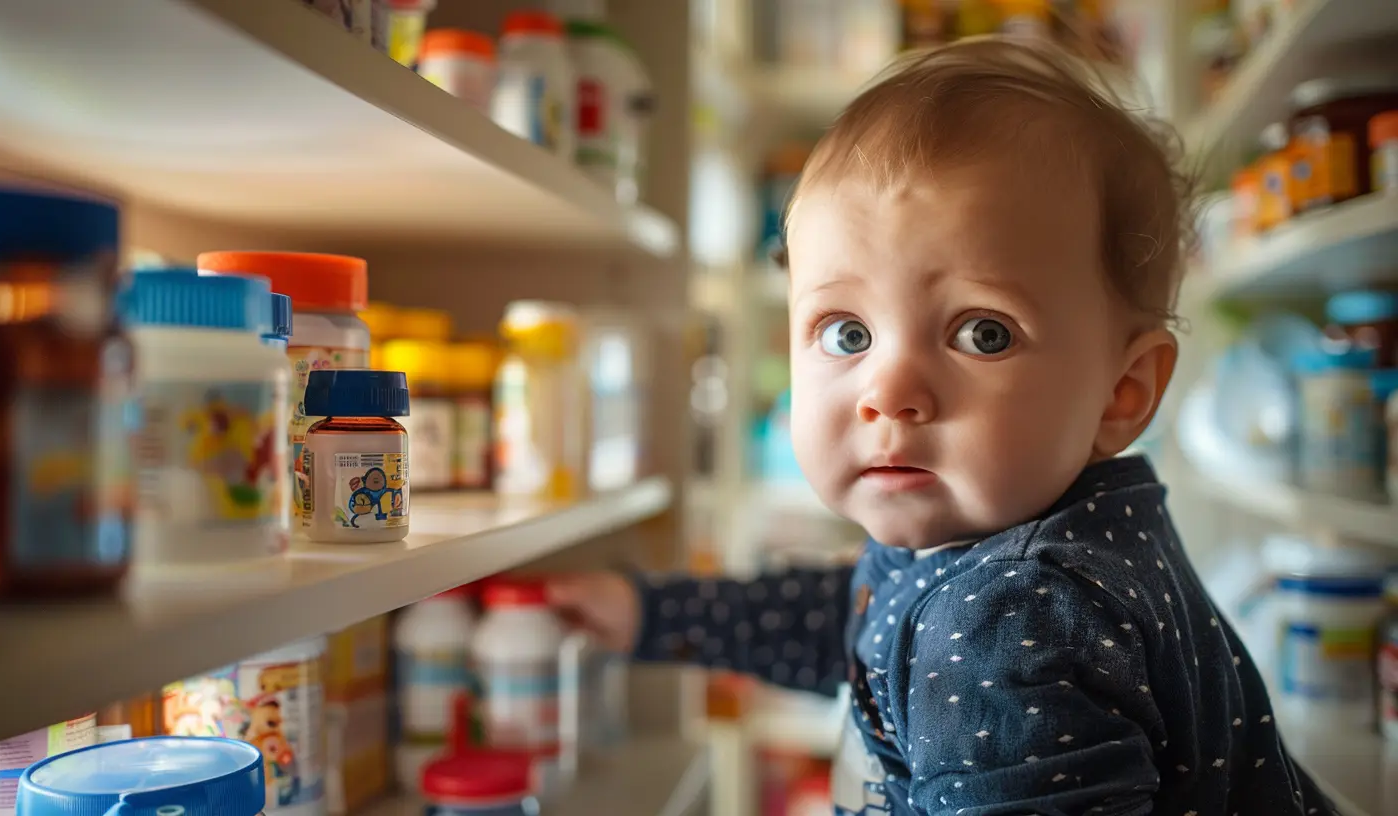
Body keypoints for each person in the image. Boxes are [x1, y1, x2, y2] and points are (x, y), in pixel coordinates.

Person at [547, 37, 1336, 816]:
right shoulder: (1006, 546)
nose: (888, 393)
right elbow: (848, 619)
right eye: (846, 333)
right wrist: (654, 614)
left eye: (982, 333)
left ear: (1120, 394)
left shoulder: (1011, 618)